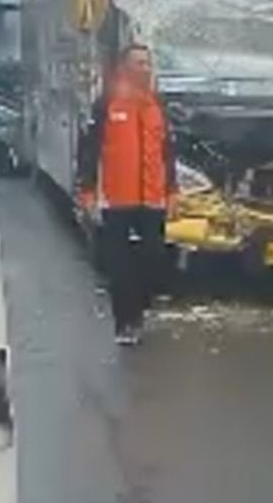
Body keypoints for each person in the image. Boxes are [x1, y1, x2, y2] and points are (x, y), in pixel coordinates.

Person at [78, 44, 178, 346]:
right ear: (124, 67)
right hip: (116, 198)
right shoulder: (106, 103)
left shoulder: (158, 104)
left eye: (148, 63)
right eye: (138, 63)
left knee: (154, 258)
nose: (144, 68)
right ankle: (125, 322)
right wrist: (88, 190)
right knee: (119, 267)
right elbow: (89, 150)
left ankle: (141, 306)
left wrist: (172, 191)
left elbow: (167, 152)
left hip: (153, 198)